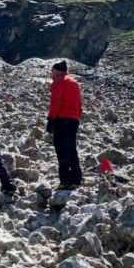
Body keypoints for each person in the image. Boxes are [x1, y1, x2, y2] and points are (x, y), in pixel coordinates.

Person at [46, 60, 83, 190]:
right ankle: (76, 179)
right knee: (72, 148)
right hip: (74, 119)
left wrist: (51, 119)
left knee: (62, 149)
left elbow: (56, 100)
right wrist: (78, 116)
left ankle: (65, 180)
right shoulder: (74, 82)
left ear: (56, 70)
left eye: (52, 71)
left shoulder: (59, 81)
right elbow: (79, 103)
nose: (51, 74)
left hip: (61, 118)